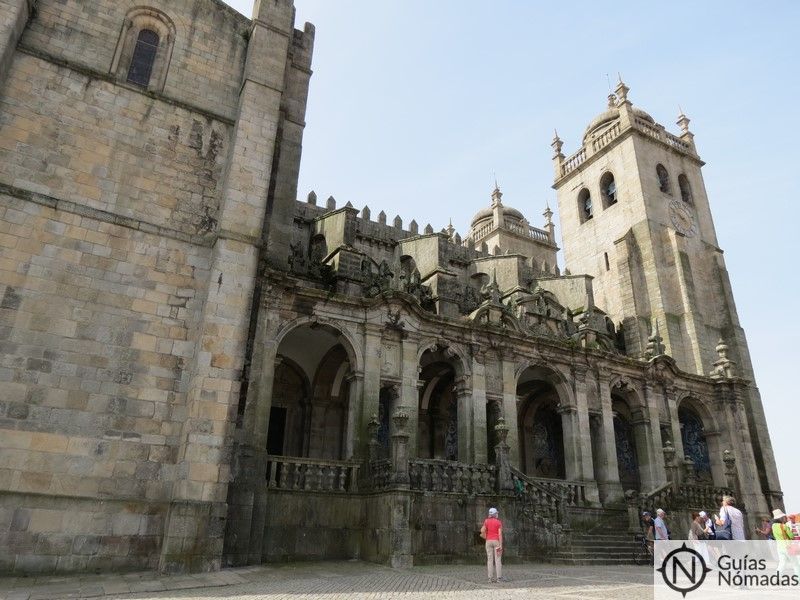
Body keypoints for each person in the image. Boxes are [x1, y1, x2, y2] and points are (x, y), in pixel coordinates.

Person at [771, 509, 800, 576]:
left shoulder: (773, 526)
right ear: (781, 518)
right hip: (787, 546)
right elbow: (791, 536)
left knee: (782, 563)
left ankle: (776, 578)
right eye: (784, 517)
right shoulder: (784, 526)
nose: (785, 518)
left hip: (779, 547)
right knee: (795, 564)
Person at [481, 507, 503, 583]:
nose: (497, 514)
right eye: (496, 513)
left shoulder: (486, 521)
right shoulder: (498, 522)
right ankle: (498, 578)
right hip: (496, 541)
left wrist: (486, 536)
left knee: (489, 560)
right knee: (498, 560)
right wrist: (501, 545)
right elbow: (500, 534)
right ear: (494, 514)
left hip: (488, 541)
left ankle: (490, 578)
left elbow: (482, 530)